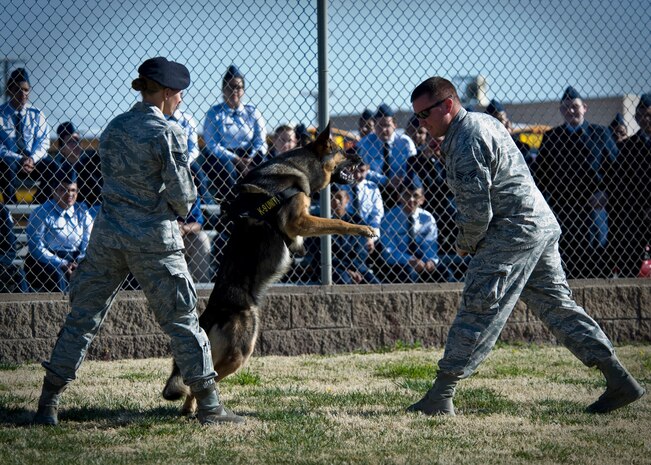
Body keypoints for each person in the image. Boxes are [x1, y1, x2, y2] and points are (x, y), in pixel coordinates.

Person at [407, 76, 644, 416]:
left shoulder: (464, 140)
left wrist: (464, 244)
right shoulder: (481, 122)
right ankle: (619, 378)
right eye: (417, 118)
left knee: (478, 307)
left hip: (511, 231)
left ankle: (441, 394)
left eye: (424, 114)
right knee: (559, 307)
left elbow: (476, 214)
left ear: (447, 105)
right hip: (538, 224)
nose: (420, 123)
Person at [32, 57, 242, 426]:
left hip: (108, 235)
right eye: (178, 94)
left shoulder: (113, 128)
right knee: (181, 320)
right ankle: (209, 407)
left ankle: (48, 403)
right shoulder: (169, 133)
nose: (180, 101)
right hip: (153, 239)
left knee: (82, 319)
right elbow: (183, 200)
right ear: (164, 93)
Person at [532, 86, 618, 279]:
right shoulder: (552, 138)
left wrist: (606, 193)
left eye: (575, 106)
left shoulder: (600, 134)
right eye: (566, 107)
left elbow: (616, 171)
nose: (571, 111)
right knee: (566, 256)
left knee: (597, 254)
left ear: (585, 107)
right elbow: (541, 176)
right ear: (561, 110)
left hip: (594, 207)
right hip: (563, 208)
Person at [203, 65, 268, 200]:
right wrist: (236, 160)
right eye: (230, 86)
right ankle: (233, 208)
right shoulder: (214, 113)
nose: (234, 91)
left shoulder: (252, 112)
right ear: (223, 90)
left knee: (264, 165)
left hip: (248, 154)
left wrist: (250, 158)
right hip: (224, 156)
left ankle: (262, 207)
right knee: (228, 171)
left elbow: (260, 140)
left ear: (243, 90)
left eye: (238, 87)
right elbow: (212, 145)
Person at [25, 170, 93, 292]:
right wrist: (62, 263)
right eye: (63, 190)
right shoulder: (41, 212)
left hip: (76, 258)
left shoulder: (82, 211)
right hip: (47, 258)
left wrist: (80, 262)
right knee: (58, 276)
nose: (69, 194)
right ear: (53, 191)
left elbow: (88, 242)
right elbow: (36, 247)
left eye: (73, 190)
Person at [607, 94, 651, 277]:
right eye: (640, 115)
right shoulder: (627, 147)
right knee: (630, 262)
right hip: (634, 213)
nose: (644, 119)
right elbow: (619, 182)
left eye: (648, 114)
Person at [0, 68, 56, 203]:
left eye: (26, 90)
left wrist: (31, 159)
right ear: (9, 91)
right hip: (10, 161)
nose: (23, 94)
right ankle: (11, 207)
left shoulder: (37, 114)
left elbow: (44, 143)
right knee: (4, 167)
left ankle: (38, 205)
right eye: (18, 89)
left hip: (33, 161)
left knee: (54, 168)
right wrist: (20, 158)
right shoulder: (1, 114)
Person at [380, 180, 450, 283]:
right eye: (407, 195)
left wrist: (430, 260)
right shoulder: (389, 219)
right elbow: (389, 252)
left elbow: (431, 246)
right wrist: (410, 260)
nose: (411, 200)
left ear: (422, 199)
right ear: (399, 197)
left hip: (423, 261)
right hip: (401, 263)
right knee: (407, 275)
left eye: (416, 196)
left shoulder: (427, 218)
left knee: (445, 273)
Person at [356, 103, 416, 208]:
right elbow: (361, 170)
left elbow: (414, 166)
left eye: (387, 125)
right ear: (374, 126)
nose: (384, 130)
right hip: (373, 190)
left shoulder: (405, 143)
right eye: (380, 126)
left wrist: (403, 177)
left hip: (401, 189)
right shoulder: (365, 143)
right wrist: (385, 181)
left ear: (395, 125)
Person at [34, 122, 103, 212]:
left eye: (77, 141)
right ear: (62, 148)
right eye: (71, 141)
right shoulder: (55, 169)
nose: (76, 144)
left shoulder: (89, 166)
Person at [330, 188, 380, 284]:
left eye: (339, 197)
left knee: (375, 284)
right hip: (334, 268)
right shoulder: (321, 223)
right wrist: (347, 270)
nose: (336, 201)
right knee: (344, 281)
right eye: (331, 197)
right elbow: (323, 255)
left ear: (347, 199)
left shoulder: (357, 221)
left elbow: (361, 249)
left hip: (358, 266)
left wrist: (354, 269)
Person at [485, 98, 533, 165]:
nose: (501, 123)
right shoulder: (485, 143)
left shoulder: (520, 147)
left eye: (502, 120)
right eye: (497, 120)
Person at [178, 196, 212, 284]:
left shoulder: (190, 192)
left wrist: (183, 228)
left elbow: (197, 224)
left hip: (184, 235)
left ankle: (203, 285)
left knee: (202, 238)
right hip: (159, 237)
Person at [0, 202, 28, 292]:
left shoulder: (2, 211)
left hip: (1, 262)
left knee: (18, 274)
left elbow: (10, 248)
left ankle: (25, 304)